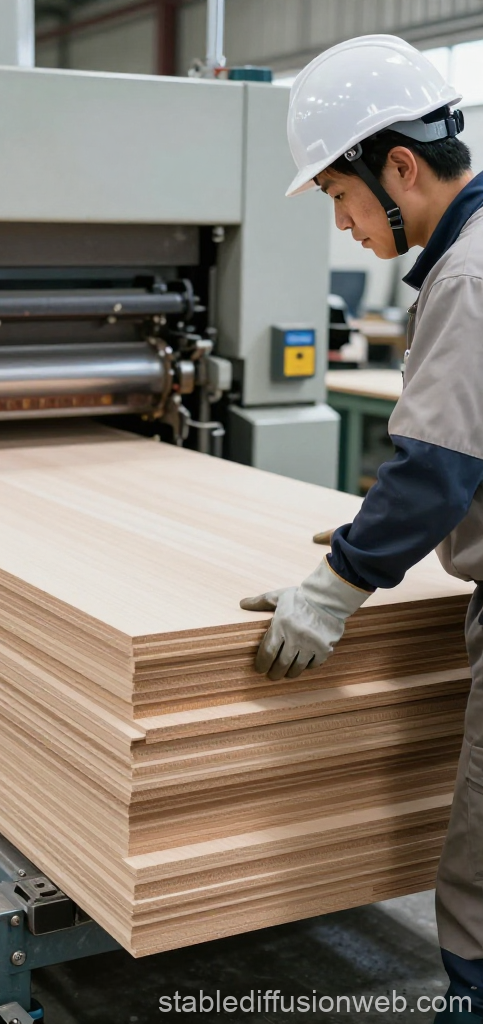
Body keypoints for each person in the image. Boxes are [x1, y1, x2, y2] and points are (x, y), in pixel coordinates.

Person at [239, 35, 483, 1024]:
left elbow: (438, 468)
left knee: (478, 880)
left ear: (402, 168)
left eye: (339, 198)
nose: (341, 227)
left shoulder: (467, 277)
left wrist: (333, 589)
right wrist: (370, 528)